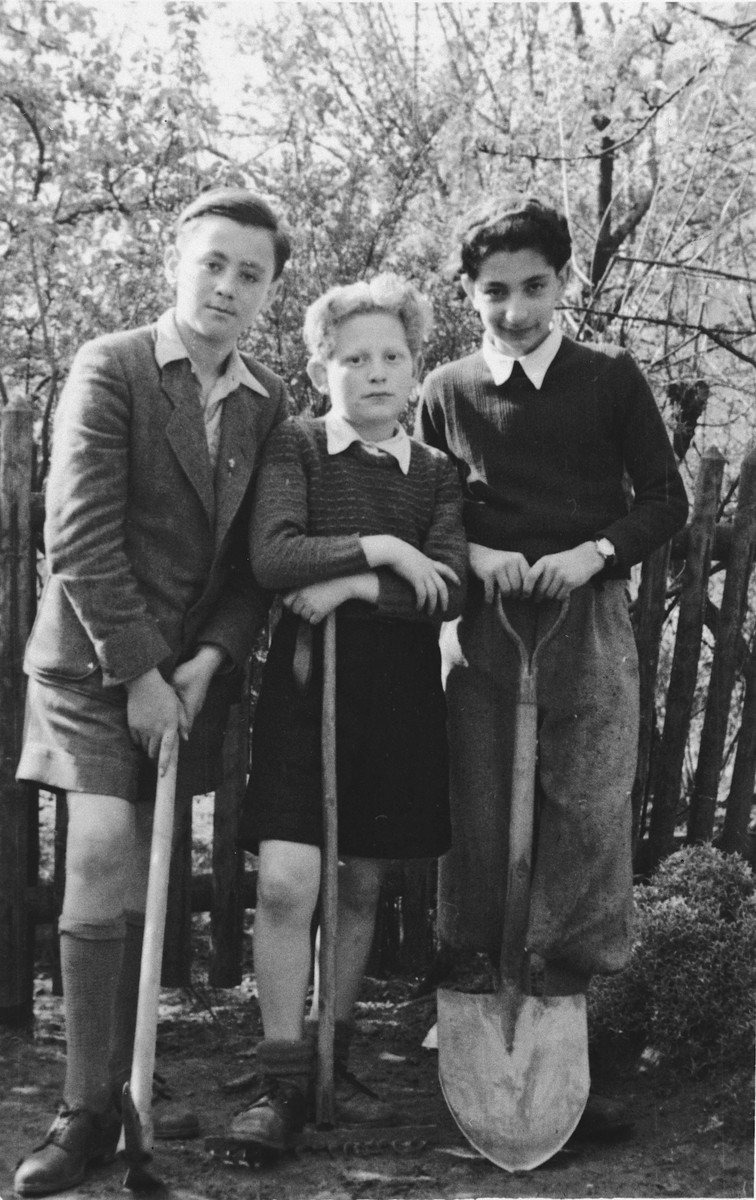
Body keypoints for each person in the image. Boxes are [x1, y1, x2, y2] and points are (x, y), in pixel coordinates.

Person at [14, 187, 292, 1197]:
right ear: (178, 263)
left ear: (268, 293)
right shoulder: (114, 368)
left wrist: (209, 662)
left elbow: (251, 567)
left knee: (139, 872)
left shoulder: (266, 405)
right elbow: (78, 541)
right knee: (96, 855)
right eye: (212, 263)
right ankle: (83, 1113)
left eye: (249, 273)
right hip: (99, 669)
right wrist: (136, 674)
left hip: (186, 679)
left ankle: (129, 1081)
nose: (226, 286)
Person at [416, 197, 689, 1137]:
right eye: (495, 292)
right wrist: (475, 560)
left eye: (534, 287)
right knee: (480, 803)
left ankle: (566, 1016)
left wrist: (593, 554)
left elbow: (664, 500)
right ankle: (478, 994)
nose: (516, 309)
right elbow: (428, 505)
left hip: (586, 616)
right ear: (469, 294)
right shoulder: (447, 388)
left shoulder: (609, 381)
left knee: (583, 801)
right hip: (484, 627)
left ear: (563, 282)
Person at [221, 273, 467, 1156]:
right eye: (352, 357)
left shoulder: (437, 473)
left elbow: (448, 589)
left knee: (360, 881)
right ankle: (280, 1080)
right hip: (304, 685)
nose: (374, 372)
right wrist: (383, 548)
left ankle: (335, 1056)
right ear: (324, 367)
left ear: (414, 369)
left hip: (395, 693)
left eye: (392, 357)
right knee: (290, 880)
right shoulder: (295, 446)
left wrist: (360, 584)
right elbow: (275, 555)